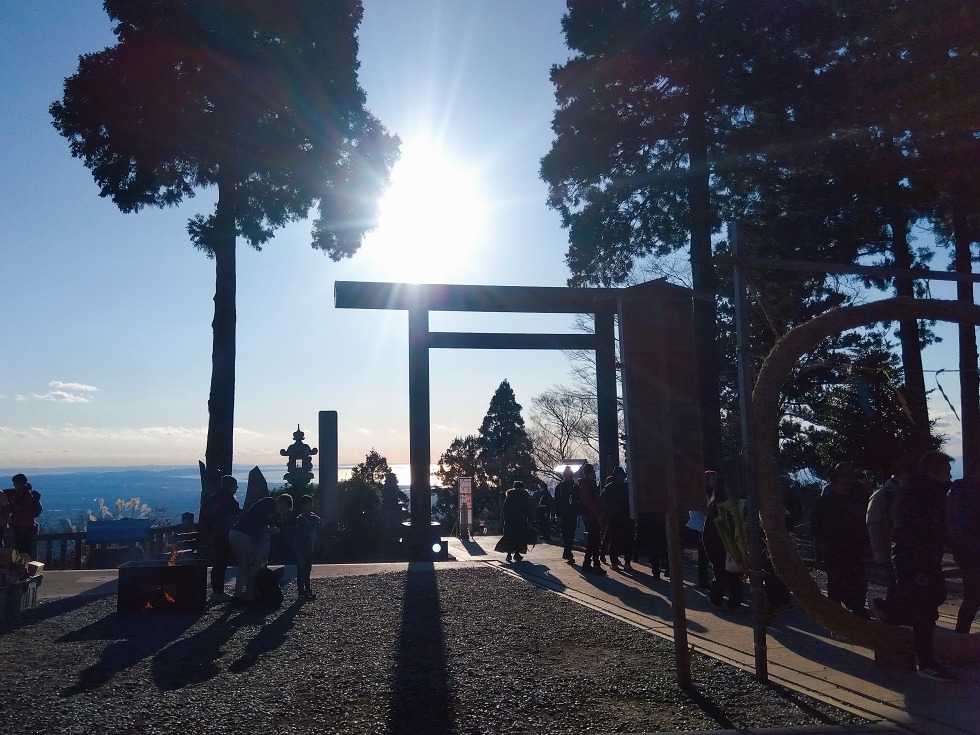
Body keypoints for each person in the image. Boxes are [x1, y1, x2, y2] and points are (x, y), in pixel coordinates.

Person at [872, 451, 956, 682]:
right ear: (932, 472)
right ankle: (926, 662)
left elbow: (939, 530)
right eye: (946, 472)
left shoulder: (932, 495)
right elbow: (911, 531)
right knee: (923, 609)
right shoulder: (915, 496)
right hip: (913, 560)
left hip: (925, 559)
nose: (949, 477)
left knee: (933, 598)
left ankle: (888, 610)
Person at [810, 467, 871, 616]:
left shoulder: (857, 501)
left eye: (847, 483)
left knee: (857, 579)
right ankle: (835, 610)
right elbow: (816, 525)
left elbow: (864, 523)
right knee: (835, 579)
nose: (845, 486)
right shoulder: (824, 503)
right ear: (834, 484)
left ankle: (857, 607)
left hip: (854, 548)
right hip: (834, 548)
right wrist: (823, 544)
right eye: (841, 483)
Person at [228, 494, 292, 602]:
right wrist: (272, 528)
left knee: (245, 565)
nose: (282, 512)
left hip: (236, 533)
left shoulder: (266, 506)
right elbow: (263, 520)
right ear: (282, 503)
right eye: (284, 509)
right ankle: (240, 595)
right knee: (246, 566)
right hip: (243, 535)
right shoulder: (269, 503)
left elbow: (260, 520)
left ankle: (247, 593)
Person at [866, 459, 914, 595]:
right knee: (895, 586)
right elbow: (874, 523)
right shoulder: (884, 495)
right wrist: (879, 550)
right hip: (890, 549)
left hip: (906, 549)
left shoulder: (907, 494)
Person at [702, 472, 744, 611]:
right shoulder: (717, 505)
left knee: (736, 573)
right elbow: (715, 529)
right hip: (718, 544)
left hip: (730, 543)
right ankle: (716, 599)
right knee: (723, 573)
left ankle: (734, 602)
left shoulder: (733, 502)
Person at [947, 456, 980, 634]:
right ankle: (961, 634)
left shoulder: (963, 491)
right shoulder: (964, 493)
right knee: (973, 595)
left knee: (973, 596)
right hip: (970, 552)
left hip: (968, 549)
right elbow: (961, 525)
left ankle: (961, 634)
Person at [202, 475, 241, 601]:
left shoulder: (214, 499)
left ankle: (216, 591)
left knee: (218, 564)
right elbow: (228, 518)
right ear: (230, 486)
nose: (236, 488)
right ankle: (218, 593)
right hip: (223, 536)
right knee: (221, 563)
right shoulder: (228, 500)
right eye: (235, 485)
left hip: (214, 535)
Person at [600, 467, 634, 572]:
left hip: (627, 517)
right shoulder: (609, 488)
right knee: (615, 540)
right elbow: (605, 502)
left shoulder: (627, 487)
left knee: (628, 540)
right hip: (615, 518)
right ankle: (614, 562)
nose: (621, 479)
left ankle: (627, 561)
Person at [577, 463, 606, 575]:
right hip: (592, 516)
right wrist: (598, 513)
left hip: (589, 516)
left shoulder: (584, 485)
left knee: (593, 541)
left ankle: (589, 562)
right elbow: (590, 502)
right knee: (594, 541)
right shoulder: (588, 485)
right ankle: (593, 563)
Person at [494, 481, 533, 563]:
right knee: (520, 537)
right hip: (521, 521)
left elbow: (505, 509)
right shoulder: (525, 496)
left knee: (510, 537)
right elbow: (529, 509)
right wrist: (530, 520)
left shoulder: (510, 496)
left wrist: (505, 519)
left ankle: (509, 554)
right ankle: (517, 553)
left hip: (510, 521)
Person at [293, 494, 323, 600]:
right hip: (302, 548)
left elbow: (320, 527)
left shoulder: (313, 518)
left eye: (311, 504)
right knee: (301, 570)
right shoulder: (300, 519)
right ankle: (301, 591)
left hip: (310, 548)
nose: (310, 506)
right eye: (308, 504)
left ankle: (307, 589)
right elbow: (301, 533)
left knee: (307, 570)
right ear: (302, 506)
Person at [4, 474, 42, 556]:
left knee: (23, 548)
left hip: (23, 525)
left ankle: (25, 563)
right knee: (24, 547)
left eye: (15, 483)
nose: (14, 484)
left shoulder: (26, 495)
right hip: (25, 524)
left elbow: (21, 509)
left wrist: (13, 503)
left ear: (20, 483)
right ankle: (25, 562)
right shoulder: (26, 493)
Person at [553, 466, 579, 563]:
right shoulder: (560, 487)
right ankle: (568, 552)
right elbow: (557, 502)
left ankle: (567, 552)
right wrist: (558, 515)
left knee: (571, 533)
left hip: (572, 513)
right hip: (564, 513)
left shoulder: (575, 486)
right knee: (566, 534)